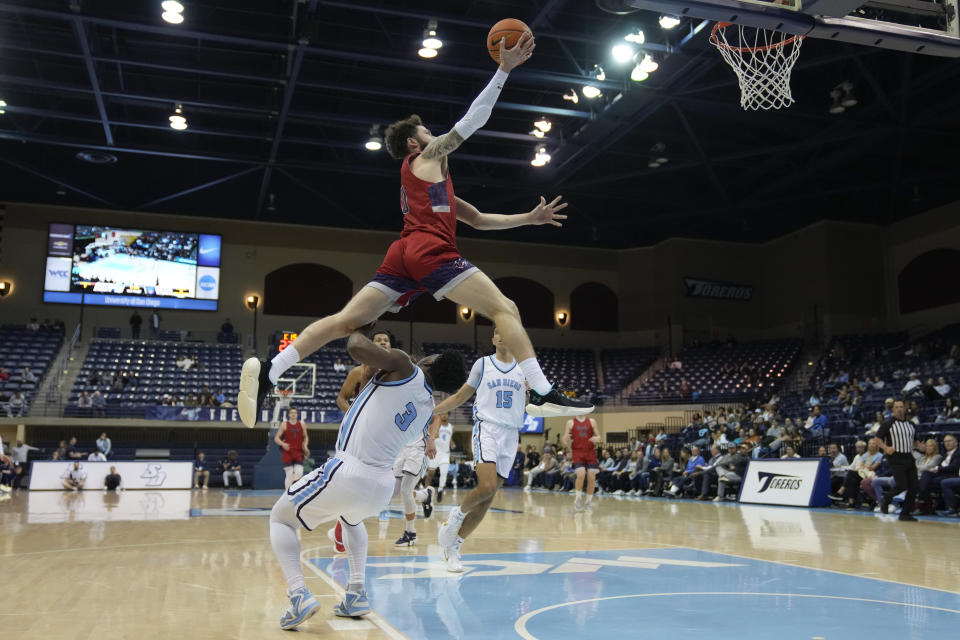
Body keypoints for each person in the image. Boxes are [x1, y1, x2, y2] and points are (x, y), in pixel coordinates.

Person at [238, 35, 592, 429]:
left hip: (404, 253)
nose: (433, 134)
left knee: (344, 321)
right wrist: (503, 70)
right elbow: (472, 122)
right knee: (506, 308)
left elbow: (475, 219)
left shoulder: (431, 185)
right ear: (413, 142)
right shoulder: (425, 158)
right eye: (426, 131)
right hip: (428, 250)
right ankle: (541, 391)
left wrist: (528, 219)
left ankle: (270, 370)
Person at [267, 327, 465, 629]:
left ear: (432, 361)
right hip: (382, 486)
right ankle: (356, 592)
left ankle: (298, 594)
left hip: (351, 470)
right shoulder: (426, 410)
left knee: (281, 518)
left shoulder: (402, 364)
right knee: (351, 519)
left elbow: (357, 348)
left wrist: (357, 327)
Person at [431, 324, 529, 572]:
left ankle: (454, 547)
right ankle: (454, 518)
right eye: (498, 331)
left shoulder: (524, 368)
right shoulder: (483, 364)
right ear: (494, 338)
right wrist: (431, 412)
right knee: (485, 486)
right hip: (487, 429)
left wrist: (532, 394)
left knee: (487, 498)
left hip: (511, 434)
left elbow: (530, 402)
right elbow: (461, 396)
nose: (503, 334)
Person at [872, 400, 919, 521]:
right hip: (895, 458)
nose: (899, 409)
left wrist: (920, 446)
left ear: (905, 408)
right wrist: (886, 448)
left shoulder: (911, 424)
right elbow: (877, 439)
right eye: (896, 407)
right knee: (901, 485)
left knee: (914, 487)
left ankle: (905, 513)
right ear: (893, 409)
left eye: (901, 407)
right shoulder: (887, 424)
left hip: (909, 457)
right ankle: (886, 499)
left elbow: (915, 441)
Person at [563, 415, 601, 511]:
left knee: (592, 478)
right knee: (581, 474)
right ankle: (578, 498)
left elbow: (599, 436)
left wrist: (597, 438)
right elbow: (565, 439)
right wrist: (565, 439)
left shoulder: (592, 421)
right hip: (577, 452)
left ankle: (588, 501)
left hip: (590, 451)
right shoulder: (570, 422)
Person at [275, 407, 310, 490]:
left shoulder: (302, 424)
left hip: (298, 451)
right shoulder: (284, 424)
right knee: (289, 474)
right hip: (287, 452)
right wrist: (283, 444)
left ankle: (292, 488)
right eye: (292, 413)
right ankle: (287, 493)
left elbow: (306, 437)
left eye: (295, 413)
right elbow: (276, 438)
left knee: (299, 473)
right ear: (289, 415)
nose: (293, 414)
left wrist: (305, 446)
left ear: (297, 415)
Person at [423, 412, 454, 500]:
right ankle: (425, 492)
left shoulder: (451, 427)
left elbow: (449, 438)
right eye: (442, 414)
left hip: (445, 454)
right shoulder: (433, 426)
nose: (444, 416)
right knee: (431, 474)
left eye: (446, 414)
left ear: (448, 415)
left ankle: (440, 490)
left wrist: (452, 443)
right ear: (439, 416)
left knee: (444, 472)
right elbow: (428, 436)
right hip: (435, 453)